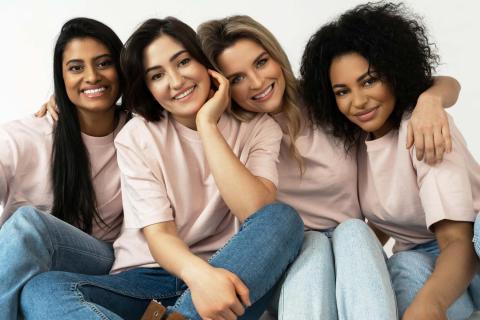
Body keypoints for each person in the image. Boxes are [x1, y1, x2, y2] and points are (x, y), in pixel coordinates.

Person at [20, 17, 304, 320]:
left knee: (281, 218)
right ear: (148, 88)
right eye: (157, 76)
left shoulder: (259, 128)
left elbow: (255, 211)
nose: (176, 81)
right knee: (43, 289)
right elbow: (160, 235)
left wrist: (207, 125)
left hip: (228, 271)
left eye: (183, 62)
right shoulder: (138, 135)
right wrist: (198, 277)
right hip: (150, 278)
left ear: (206, 64)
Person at [197, 14, 461, 319]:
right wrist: (207, 122)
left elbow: (440, 83)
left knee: (352, 232)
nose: (257, 83)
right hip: (293, 263)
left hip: (353, 253)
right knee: (315, 245)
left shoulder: (327, 98)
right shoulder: (235, 131)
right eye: (237, 78)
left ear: (275, 55)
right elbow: (254, 211)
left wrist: (429, 101)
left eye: (260, 62)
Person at [300, 2, 480, 319]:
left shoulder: (423, 126)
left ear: (394, 72)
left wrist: (432, 303)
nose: (358, 101)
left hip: (469, 253)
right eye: (342, 91)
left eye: (369, 81)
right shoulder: (356, 140)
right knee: (402, 267)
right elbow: (384, 217)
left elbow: (458, 241)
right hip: (419, 261)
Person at [0, 18, 127, 320]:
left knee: (29, 223)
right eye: (76, 68)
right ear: (61, 77)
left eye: (104, 63)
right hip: (25, 269)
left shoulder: (143, 134)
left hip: (104, 262)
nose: (92, 77)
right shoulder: (26, 137)